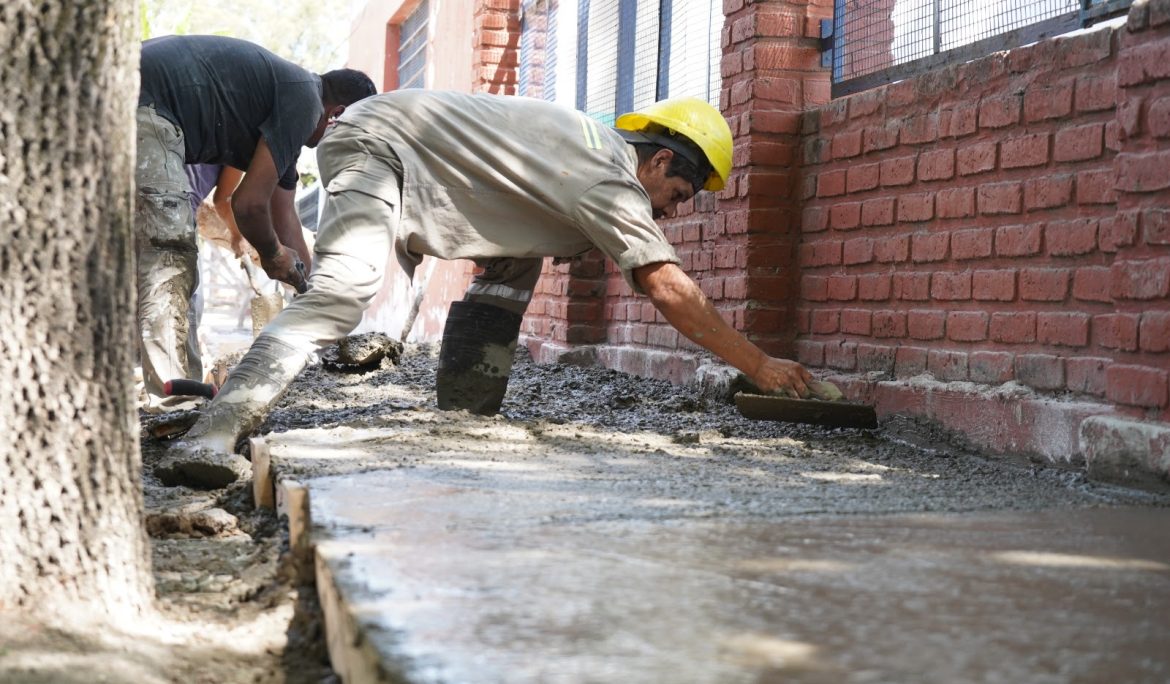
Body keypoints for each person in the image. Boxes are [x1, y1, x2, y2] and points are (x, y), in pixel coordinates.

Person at [156, 91, 812, 488]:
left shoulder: (582, 160)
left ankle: (466, 413)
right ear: (661, 159)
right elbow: (664, 285)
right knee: (346, 288)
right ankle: (212, 433)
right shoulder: (606, 176)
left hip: (420, 158)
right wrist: (758, 366)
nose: (670, 211)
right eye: (677, 195)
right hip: (380, 144)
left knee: (520, 260)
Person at [135, 34, 375, 411]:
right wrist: (272, 253)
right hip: (141, 99)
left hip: (146, 97)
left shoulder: (290, 116)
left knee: (155, 258)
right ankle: (174, 401)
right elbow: (246, 205)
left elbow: (286, 221)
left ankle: (181, 395)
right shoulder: (304, 99)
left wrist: (317, 299)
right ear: (337, 113)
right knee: (168, 256)